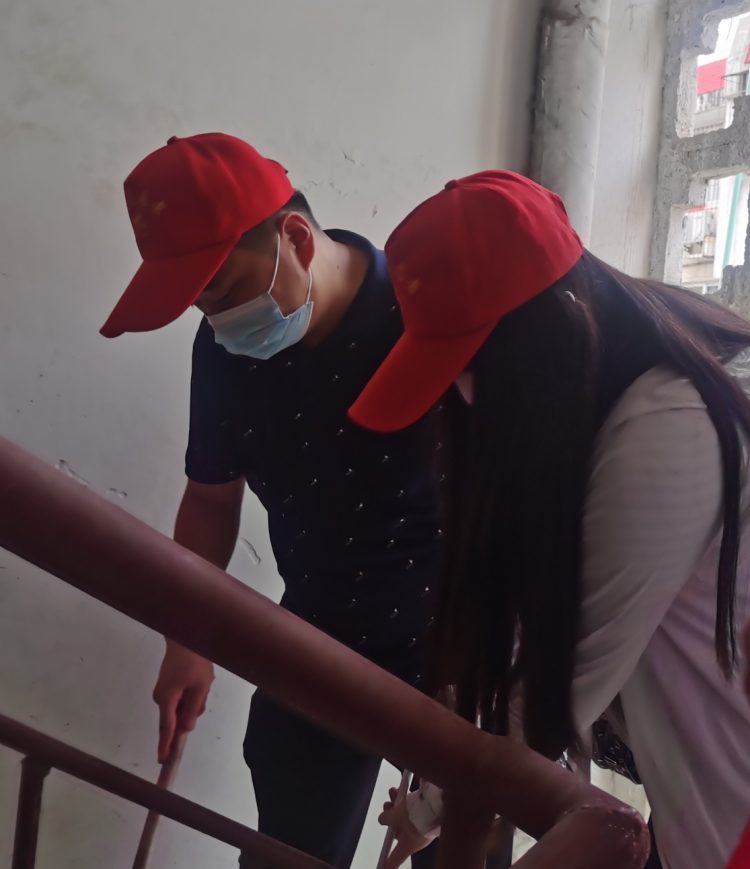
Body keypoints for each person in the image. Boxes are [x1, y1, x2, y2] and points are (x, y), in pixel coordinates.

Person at [99, 134, 513, 869]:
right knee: (288, 849)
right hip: (317, 635)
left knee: (462, 850)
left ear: (295, 237)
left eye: (225, 291)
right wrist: (187, 638)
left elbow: (518, 486)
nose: (218, 320)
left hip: (457, 639)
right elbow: (210, 498)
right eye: (200, 306)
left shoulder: (423, 311)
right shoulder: (223, 351)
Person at [349, 171, 750, 869]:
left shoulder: (669, 430)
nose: (466, 399)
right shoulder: (633, 361)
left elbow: (556, 686)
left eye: (472, 365)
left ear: (546, 328)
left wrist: (427, 809)